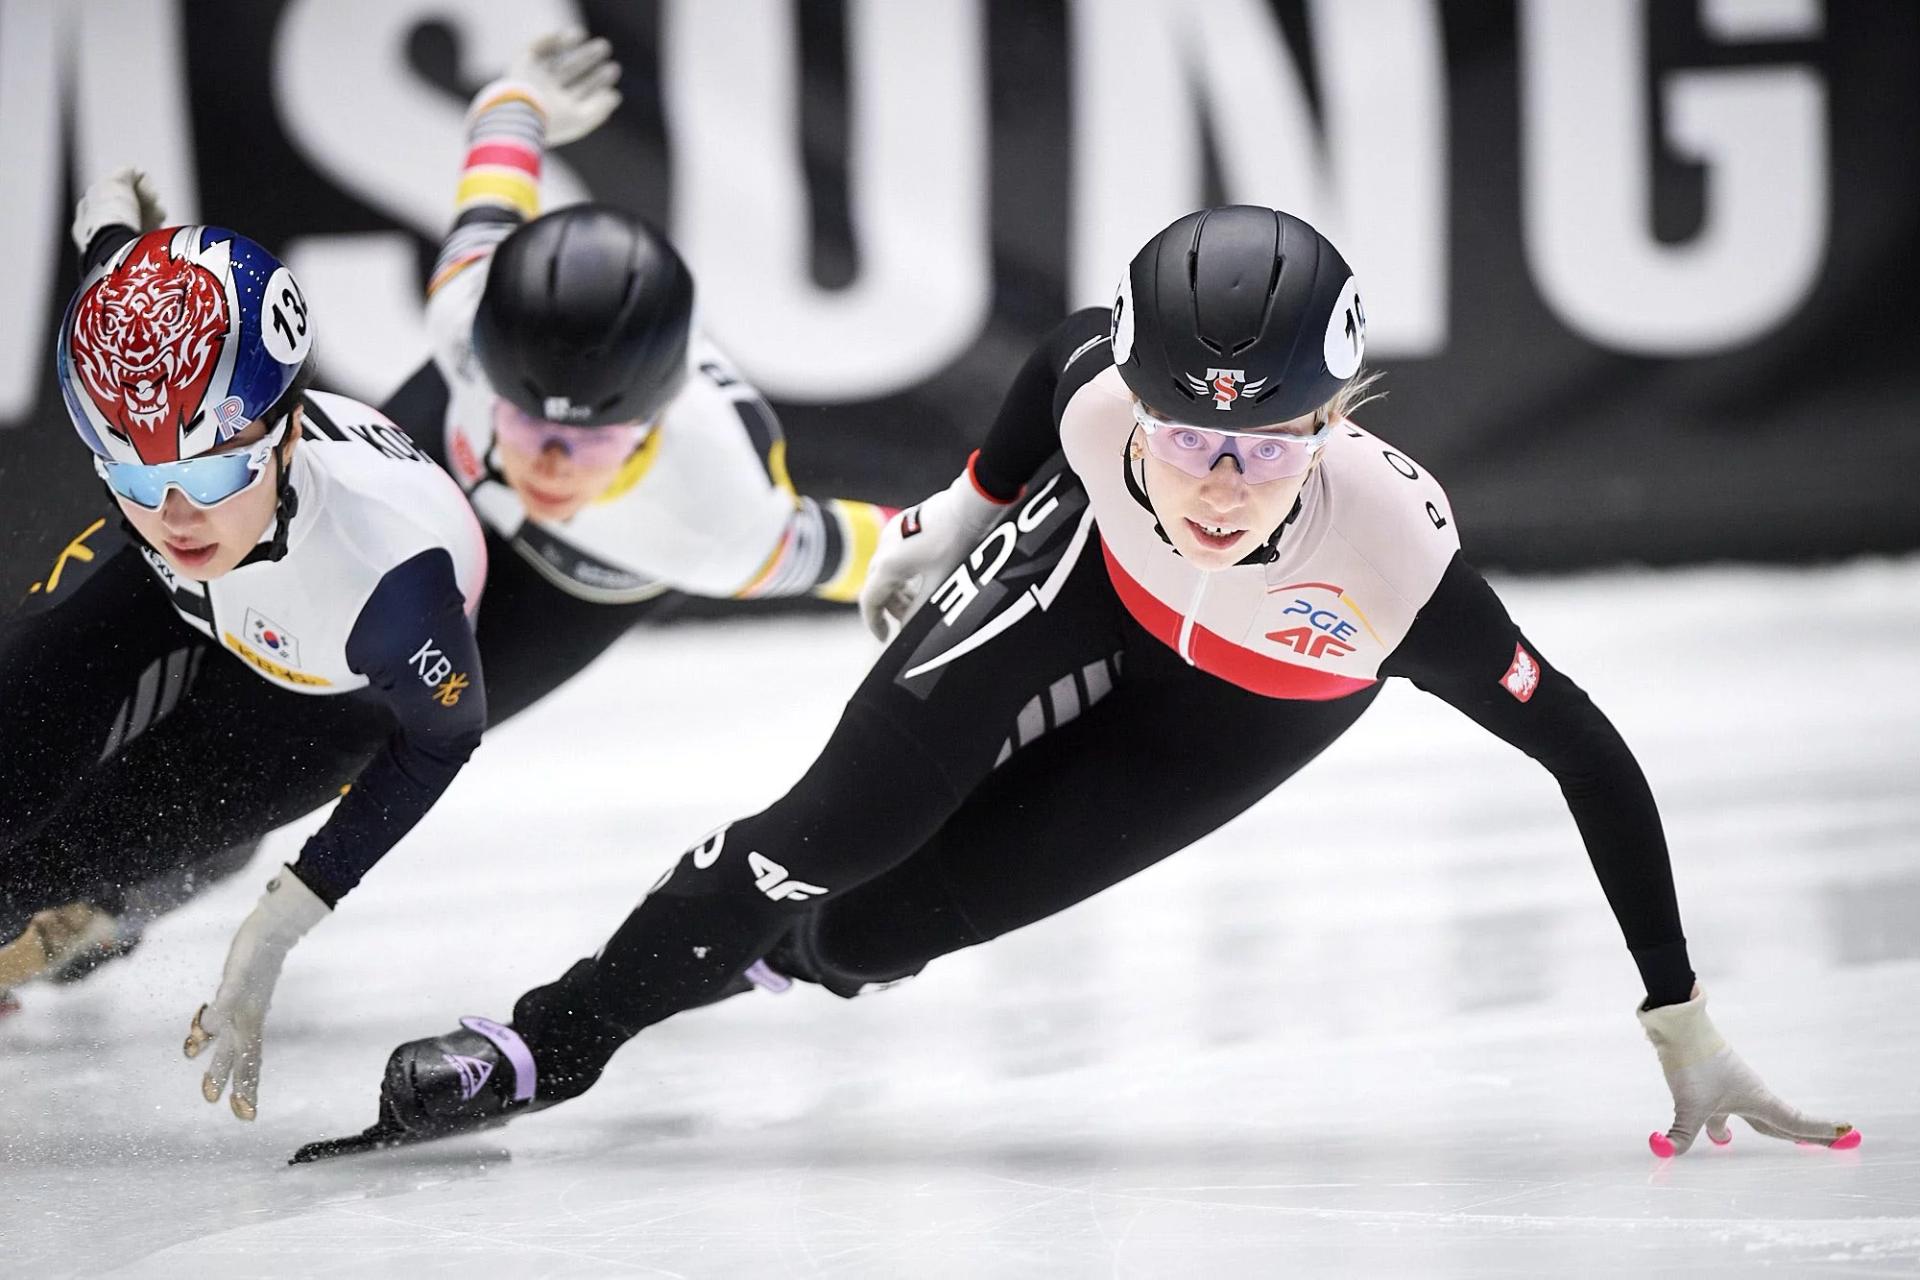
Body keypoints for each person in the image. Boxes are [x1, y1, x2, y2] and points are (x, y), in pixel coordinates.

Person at [304, 206, 1855, 1162]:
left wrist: (1679, 1015)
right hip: (1078, 586)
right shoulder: (1110, 396)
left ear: (1337, 422)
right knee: (822, 831)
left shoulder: (1396, 565)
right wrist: (961, 514)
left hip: (1255, 704)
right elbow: (1060, 361)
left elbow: (1584, 752)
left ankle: (792, 957)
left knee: (876, 926)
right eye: (1187, 435)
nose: (1221, 480)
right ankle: (544, 1045)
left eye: (1264, 446)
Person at [0, 171, 490, 1124]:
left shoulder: (389, 581)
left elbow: (442, 738)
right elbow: (119, 286)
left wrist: (277, 927)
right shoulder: (170, 504)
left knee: (53, 865)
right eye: (133, 473)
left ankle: (106, 916)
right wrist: (114, 233)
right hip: (174, 600)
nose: (177, 513)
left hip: (314, 697)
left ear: (289, 428)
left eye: (216, 468)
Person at [381, 32, 892, 722]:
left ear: (653, 424)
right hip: (464, 467)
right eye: (531, 417)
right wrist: (515, 103)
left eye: (588, 439)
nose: (551, 465)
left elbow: (906, 547)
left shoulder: (725, 520)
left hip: (568, 585)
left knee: (384, 737)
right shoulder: (464, 320)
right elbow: (492, 196)